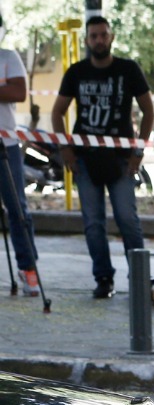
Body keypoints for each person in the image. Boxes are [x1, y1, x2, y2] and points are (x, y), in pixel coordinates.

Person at [51, 16, 154, 298]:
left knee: (127, 219)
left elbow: (149, 110)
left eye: (103, 35)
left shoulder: (128, 69)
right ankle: (103, 278)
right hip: (85, 160)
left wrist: (138, 151)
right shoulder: (76, 72)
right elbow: (57, 112)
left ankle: (140, 278)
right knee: (93, 223)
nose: (99, 40)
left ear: (111, 37)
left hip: (122, 160)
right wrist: (65, 149)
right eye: (94, 36)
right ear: (87, 40)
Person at [0, 12, 40, 296]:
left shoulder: (8, 57)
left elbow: (18, 92)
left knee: (17, 208)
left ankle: (28, 269)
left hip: (6, 144)